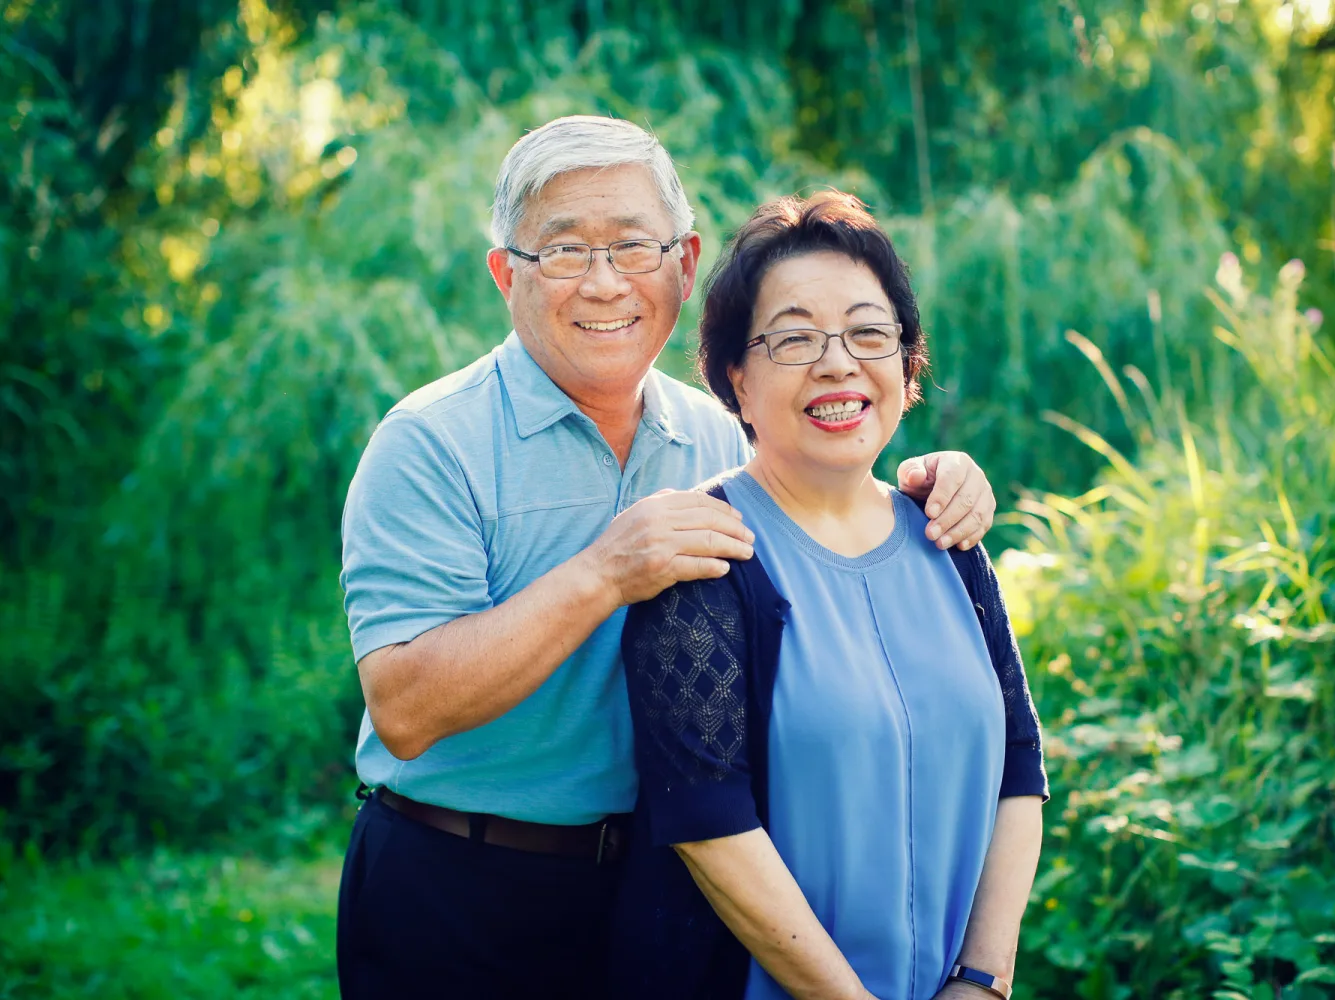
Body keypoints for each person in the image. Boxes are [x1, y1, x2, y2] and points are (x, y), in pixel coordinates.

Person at [335, 116, 1002, 997]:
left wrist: (943, 482)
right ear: (506, 275)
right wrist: (604, 572)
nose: (605, 282)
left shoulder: (722, 436)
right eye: (563, 252)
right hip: (460, 882)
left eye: (634, 247)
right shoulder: (430, 443)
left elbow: (842, 507)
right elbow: (405, 708)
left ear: (684, 266)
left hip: (668, 889)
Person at [611, 191, 1048, 1000]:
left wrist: (982, 981)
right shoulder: (706, 555)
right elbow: (709, 826)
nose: (838, 362)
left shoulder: (948, 539)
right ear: (736, 380)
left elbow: (1019, 769)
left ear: (906, 363)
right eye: (795, 337)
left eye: (868, 332)